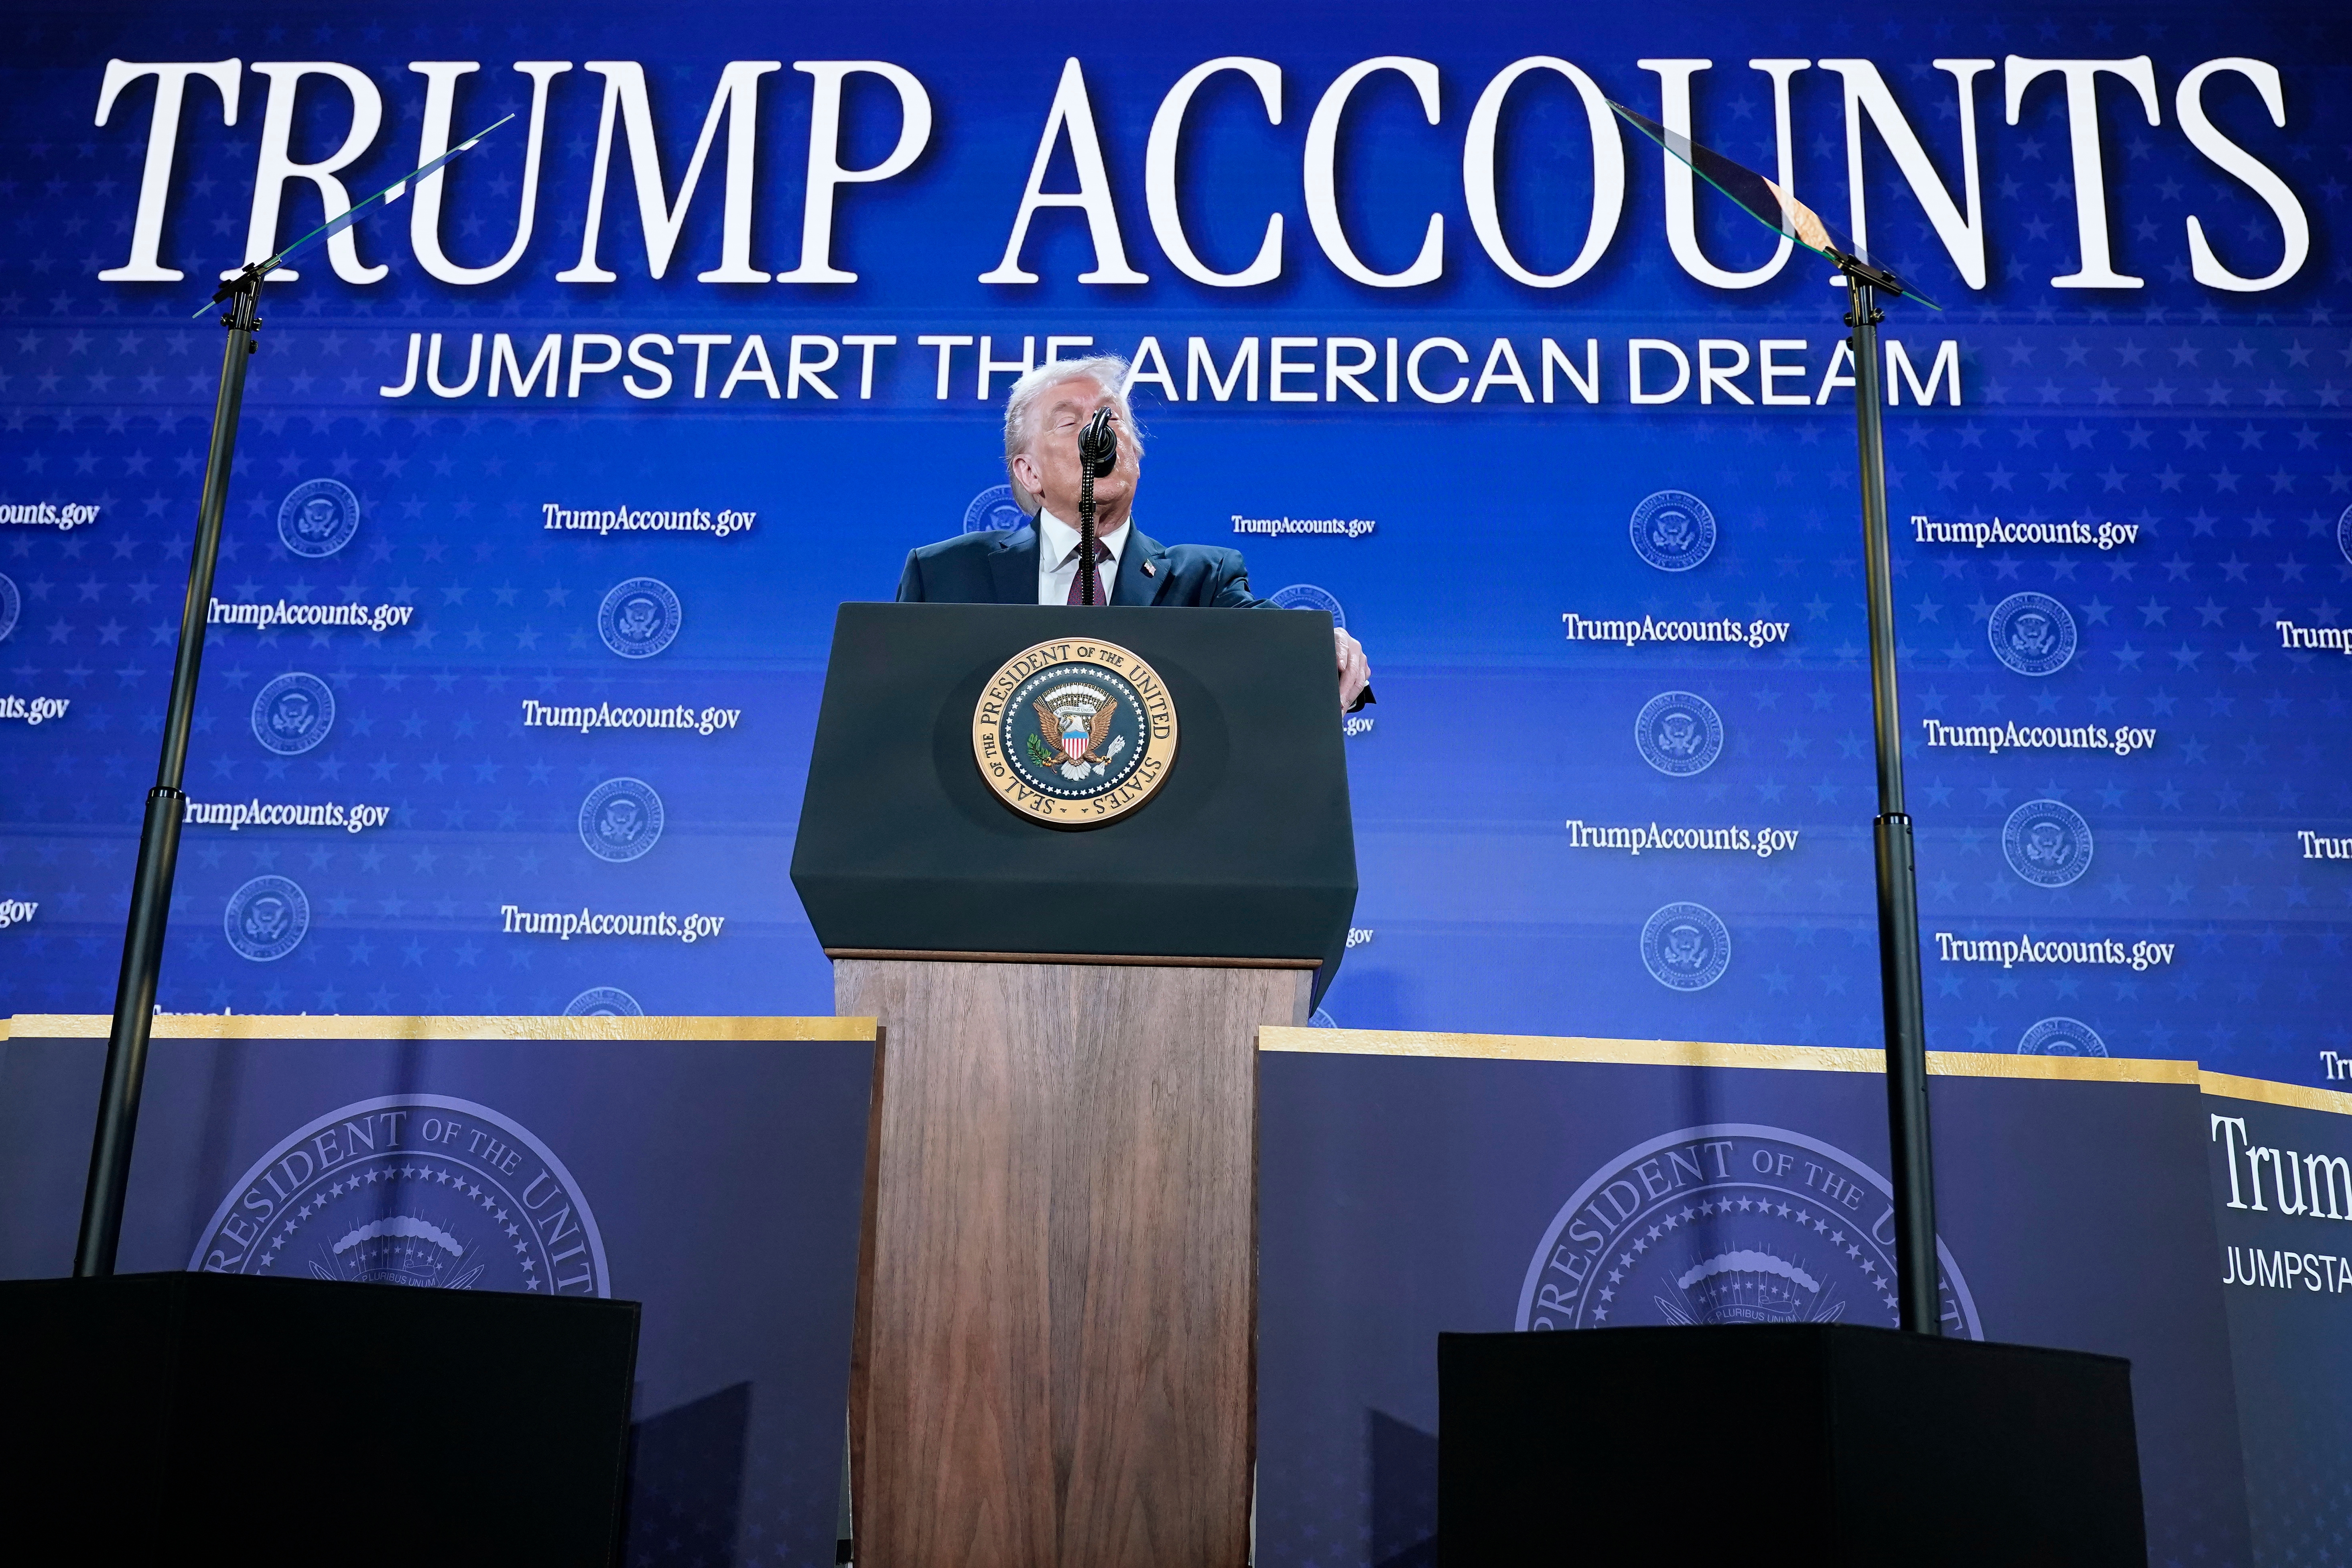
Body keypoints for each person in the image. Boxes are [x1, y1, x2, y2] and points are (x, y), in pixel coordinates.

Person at [896, 355, 1373, 711]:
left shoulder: (1203, 580)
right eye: (1070, 423)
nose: (1099, 433)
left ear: (1136, 458)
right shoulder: (944, 574)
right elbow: (895, 713)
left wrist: (1321, 650)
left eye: (1112, 418)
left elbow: (1281, 649)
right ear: (1028, 473)